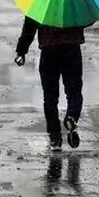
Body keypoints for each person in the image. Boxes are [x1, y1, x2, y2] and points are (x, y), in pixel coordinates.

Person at [15, 16, 85, 151]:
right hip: (72, 49)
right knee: (74, 91)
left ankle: (55, 137)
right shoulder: (75, 0)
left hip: (49, 51)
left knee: (50, 96)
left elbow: (29, 27)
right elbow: (87, 19)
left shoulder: (41, 1)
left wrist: (21, 51)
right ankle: (72, 117)